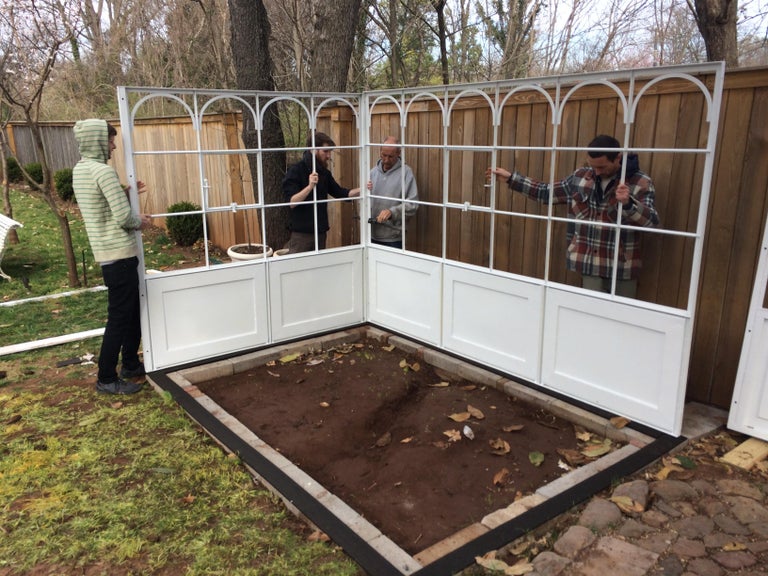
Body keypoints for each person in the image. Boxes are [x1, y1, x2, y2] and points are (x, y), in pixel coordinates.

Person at [488, 135, 659, 297]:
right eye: (593, 166)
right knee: (588, 319)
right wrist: (512, 179)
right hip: (590, 266)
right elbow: (546, 192)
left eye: (602, 167)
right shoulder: (580, 178)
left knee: (623, 320)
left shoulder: (640, 182)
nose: (596, 172)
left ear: (618, 158)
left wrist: (629, 203)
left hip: (623, 268)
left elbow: (652, 223)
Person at [73, 119, 152, 394]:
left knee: (130, 312)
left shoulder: (81, 171)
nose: (114, 145)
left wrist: (126, 192)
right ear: (96, 140)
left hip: (106, 254)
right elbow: (123, 217)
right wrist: (140, 220)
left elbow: (100, 206)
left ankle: (130, 363)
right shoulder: (104, 172)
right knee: (120, 317)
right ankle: (106, 377)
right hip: (120, 254)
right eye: (109, 140)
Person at [282, 131, 360, 253]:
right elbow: (291, 202)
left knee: (318, 270)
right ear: (313, 150)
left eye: (330, 151)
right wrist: (309, 187)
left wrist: (363, 190)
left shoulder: (324, 173)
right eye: (325, 151)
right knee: (298, 270)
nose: (329, 156)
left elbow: (341, 193)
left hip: (320, 233)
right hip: (301, 235)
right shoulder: (296, 170)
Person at [366, 136, 419, 249]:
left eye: (390, 156)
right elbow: (364, 199)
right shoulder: (372, 173)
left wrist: (392, 212)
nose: (386, 160)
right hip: (370, 235)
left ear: (399, 153)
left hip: (393, 238)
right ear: (380, 151)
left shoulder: (406, 173)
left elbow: (413, 204)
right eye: (384, 155)